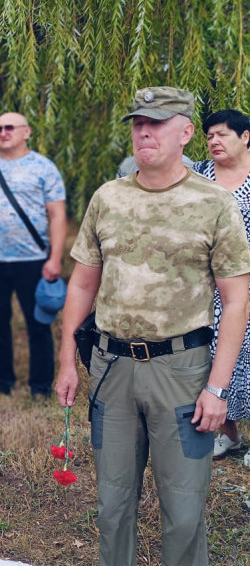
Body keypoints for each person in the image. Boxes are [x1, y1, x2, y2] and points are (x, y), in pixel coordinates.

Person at [55, 87, 250, 566]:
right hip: (111, 369)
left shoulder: (214, 203)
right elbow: (81, 285)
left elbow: (238, 298)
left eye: (158, 122)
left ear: (186, 133)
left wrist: (218, 388)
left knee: (184, 511)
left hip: (182, 372)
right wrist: (66, 360)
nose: (144, 130)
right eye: (139, 121)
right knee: (112, 506)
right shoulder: (109, 197)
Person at [0, 113, 67, 397]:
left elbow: (57, 215)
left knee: (38, 324)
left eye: (9, 127)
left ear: (26, 132)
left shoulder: (44, 167)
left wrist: (55, 258)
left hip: (32, 261)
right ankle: (0, 383)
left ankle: (40, 387)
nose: (2, 132)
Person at [191, 109, 250, 464]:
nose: (214, 141)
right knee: (214, 362)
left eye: (222, 134)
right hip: (205, 290)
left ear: (245, 137)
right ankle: (230, 436)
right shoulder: (197, 175)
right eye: (209, 135)